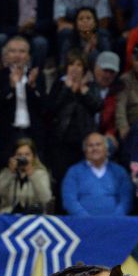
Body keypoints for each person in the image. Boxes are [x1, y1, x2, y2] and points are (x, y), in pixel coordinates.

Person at [47, 51, 102, 189]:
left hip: (84, 141)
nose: (75, 68)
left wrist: (83, 91)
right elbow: (51, 109)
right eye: (71, 64)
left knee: (83, 182)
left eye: (79, 65)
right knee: (63, 181)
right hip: (62, 140)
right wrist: (67, 89)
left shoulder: (91, 86)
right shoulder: (59, 85)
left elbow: (98, 106)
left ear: (84, 68)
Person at [0, 36, 44, 166]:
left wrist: (31, 88)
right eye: (13, 51)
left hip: (32, 133)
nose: (17, 55)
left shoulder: (37, 77)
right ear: (6, 55)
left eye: (22, 51)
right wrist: (11, 88)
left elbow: (44, 108)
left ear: (28, 56)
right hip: (8, 134)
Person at [61, 133, 133, 216]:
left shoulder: (119, 172)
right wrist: (88, 220)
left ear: (106, 149)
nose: (94, 148)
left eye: (98, 144)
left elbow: (126, 201)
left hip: (114, 224)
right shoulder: (74, 172)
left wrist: (114, 220)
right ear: (85, 150)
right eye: (90, 146)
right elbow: (69, 200)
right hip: (81, 224)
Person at [0, 137, 53, 214]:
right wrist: (10, 173)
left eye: (27, 154)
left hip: (34, 216)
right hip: (9, 216)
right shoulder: (7, 172)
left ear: (33, 157)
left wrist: (32, 175)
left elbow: (46, 198)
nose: (23, 158)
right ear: (13, 157)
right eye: (19, 154)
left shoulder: (41, 174)